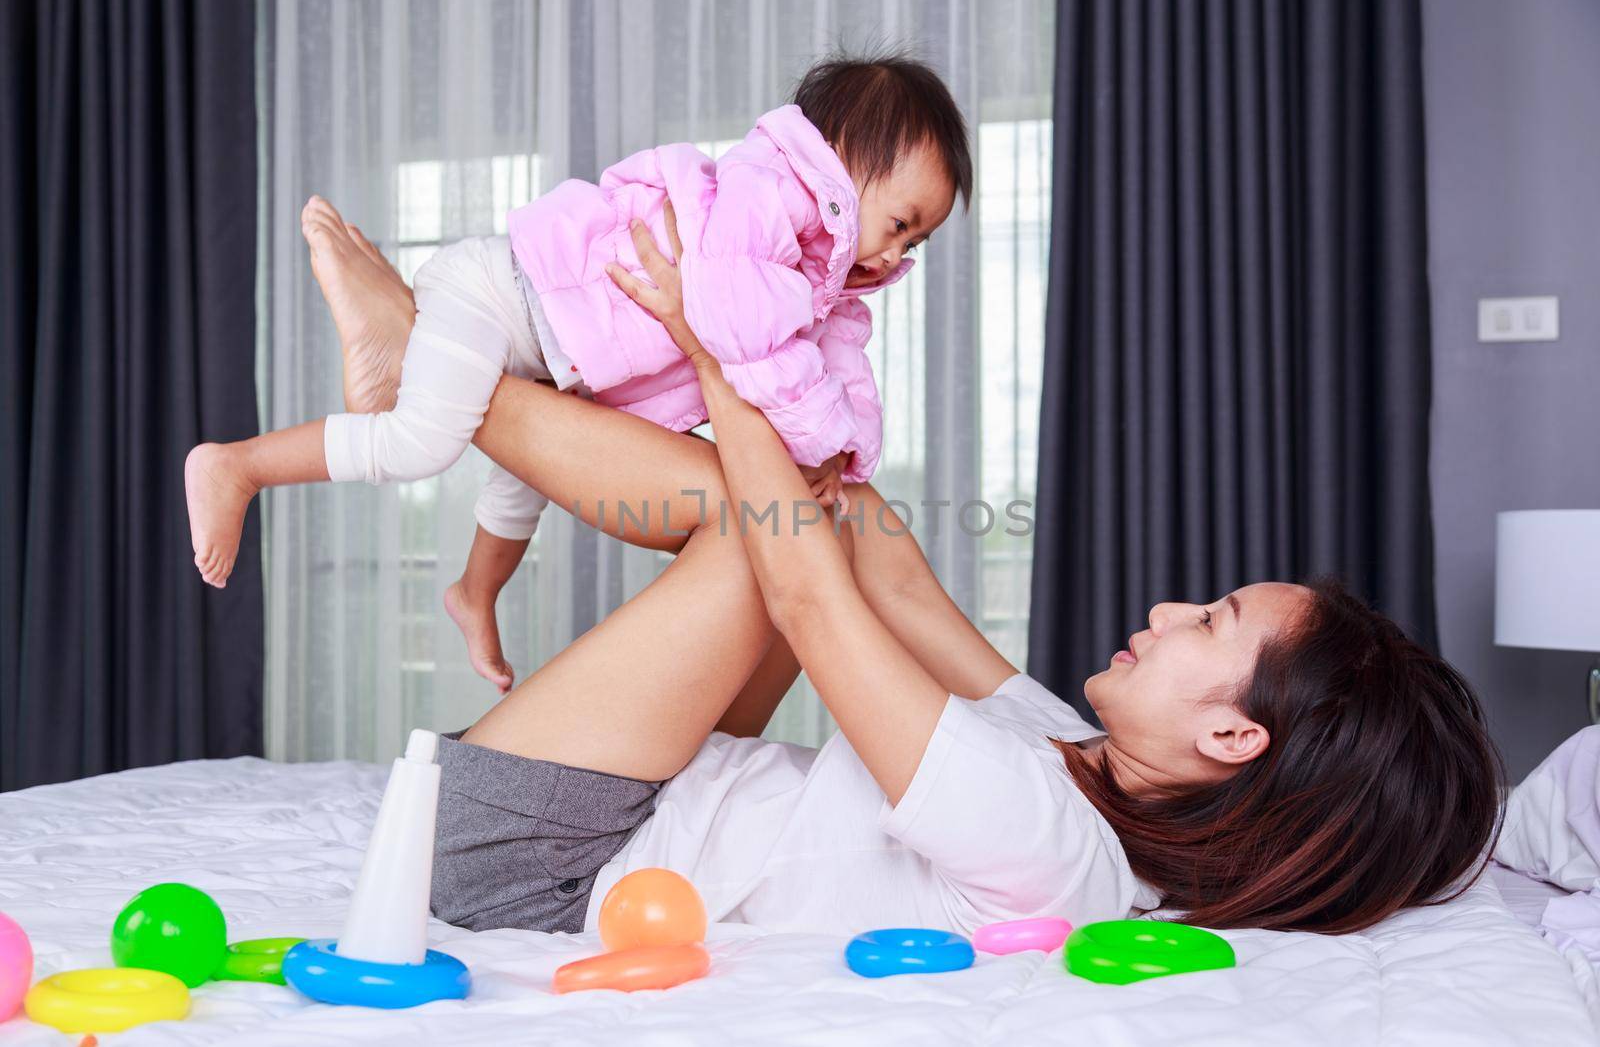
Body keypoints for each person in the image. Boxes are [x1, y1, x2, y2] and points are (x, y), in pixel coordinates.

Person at [299, 203, 1502, 938]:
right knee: (818, 507)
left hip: (533, 864)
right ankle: (447, 377)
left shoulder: (1046, 838)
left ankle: (425, 367)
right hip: (647, 803)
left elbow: (815, 600)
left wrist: (713, 350)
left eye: (1212, 620)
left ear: (1237, 738)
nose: (1167, 608)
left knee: (764, 529)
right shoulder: (1070, 765)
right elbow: (893, 575)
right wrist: (791, 363)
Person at [184, 54, 972, 696]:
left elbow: (840, 368)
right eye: (900, 223)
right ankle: (242, 462)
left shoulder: (820, 278)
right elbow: (743, 331)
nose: (898, 255)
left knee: (521, 480)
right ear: (838, 158)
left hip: (552, 356)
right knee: (421, 443)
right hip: (503, 297)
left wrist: (843, 449)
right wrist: (817, 438)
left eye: (918, 243)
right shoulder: (762, 198)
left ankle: (474, 593)